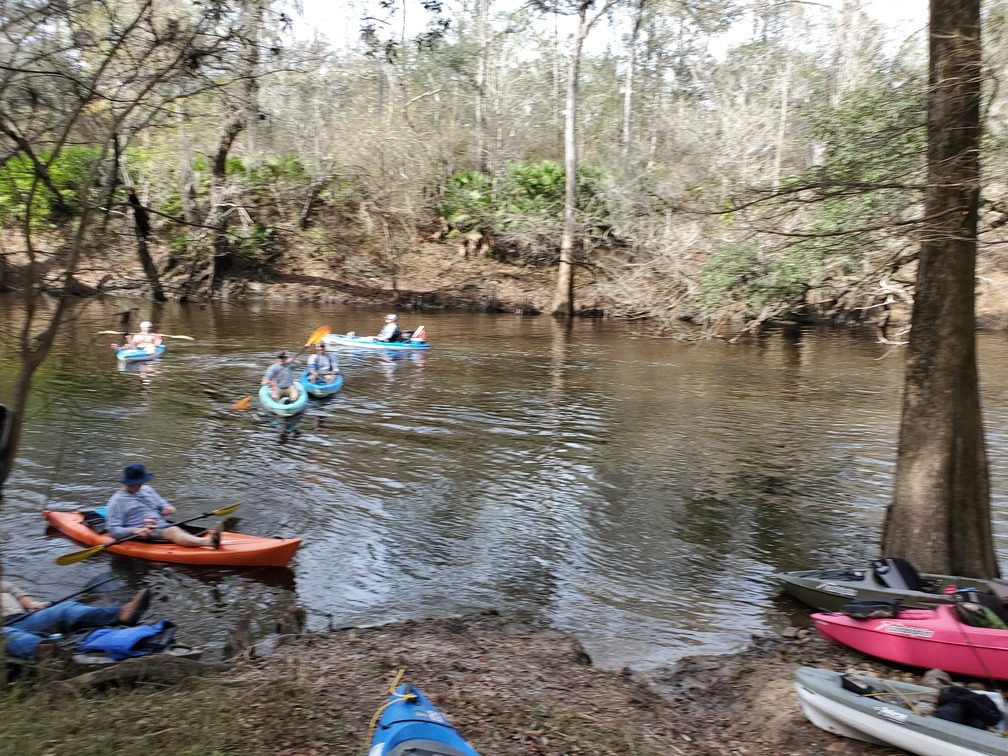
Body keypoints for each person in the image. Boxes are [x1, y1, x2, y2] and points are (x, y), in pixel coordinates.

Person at [2, 581, 150, 660]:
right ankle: (46, 651)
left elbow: (19, 595)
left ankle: (121, 614)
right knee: (6, 636)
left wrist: (34, 605)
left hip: (25, 618)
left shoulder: (3, 583)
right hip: (4, 628)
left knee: (66, 608)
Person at [105, 464, 221, 548]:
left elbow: (162, 503)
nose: (142, 485)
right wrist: (136, 530)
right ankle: (208, 542)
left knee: (180, 528)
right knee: (173, 530)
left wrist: (167, 508)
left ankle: (195, 539)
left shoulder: (146, 489)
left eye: (142, 482)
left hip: (161, 524)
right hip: (144, 532)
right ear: (128, 483)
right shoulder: (117, 501)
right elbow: (114, 530)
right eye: (138, 483)